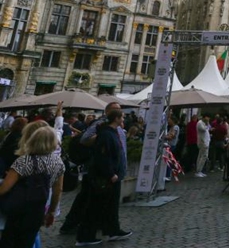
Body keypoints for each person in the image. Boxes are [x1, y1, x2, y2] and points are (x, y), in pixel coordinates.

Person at [61, 101, 124, 235]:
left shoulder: (115, 128)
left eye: (119, 110)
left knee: (103, 200)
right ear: (108, 112)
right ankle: (74, 225)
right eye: (115, 111)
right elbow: (85, 139)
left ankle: (107, 227)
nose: (119, 113)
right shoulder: (101, 126)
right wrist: (102, 136)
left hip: (113, 168)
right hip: (101, 170)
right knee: (87, 198)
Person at [0, 126, 65, 248]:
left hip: (18, 207)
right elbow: (58, 189)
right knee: (28, 241)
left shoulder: (24, 161)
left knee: (9, 240)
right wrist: (51, 211)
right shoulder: (58, 162)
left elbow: (4, 188)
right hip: (38, 207)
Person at [76, 109, 132, 245]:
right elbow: (103, 156)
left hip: (113, 175)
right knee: (96, 206)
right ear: (116, 119)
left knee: (111, 206)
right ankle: (85, 236)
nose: (123, 120)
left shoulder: (111, 133)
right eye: (122, 117)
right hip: (105, 177)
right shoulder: (106, 134)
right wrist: (110, 173)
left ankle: (112, 230)